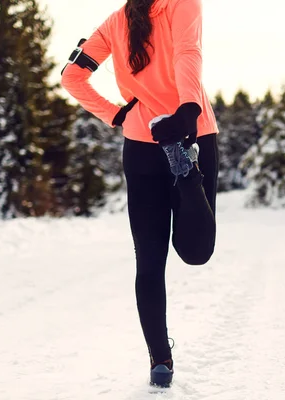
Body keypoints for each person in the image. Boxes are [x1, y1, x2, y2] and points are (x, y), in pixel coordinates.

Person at [61, 0, 219, 388]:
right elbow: (187, 53)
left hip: (140, 142)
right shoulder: (184, 5)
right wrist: (186, 110)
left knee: (149, 262)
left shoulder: (114, 23)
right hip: (190, 132)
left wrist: (115, 114)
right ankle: (188, 174)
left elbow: (71, 77)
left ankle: (160, 361)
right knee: (196, 252)